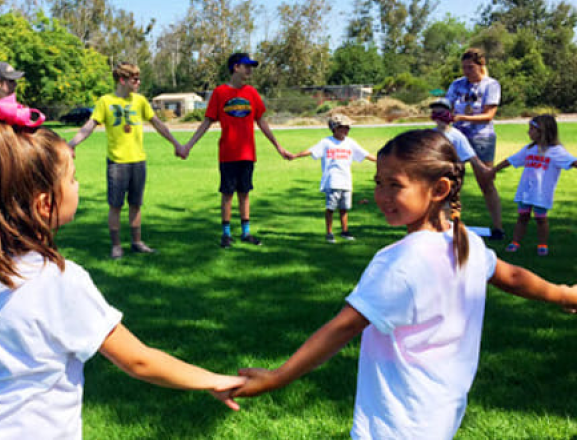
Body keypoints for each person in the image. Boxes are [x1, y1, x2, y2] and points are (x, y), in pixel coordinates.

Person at [0, 114, 245, 439]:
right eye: (74, 178)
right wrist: (211, 379)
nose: (78, 185)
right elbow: (138, 360)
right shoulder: (62, 281)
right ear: (45, 203)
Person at [230, 130, 577, 439]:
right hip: (441, 411)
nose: (382, 195)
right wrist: (563, 293)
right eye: (378, 183)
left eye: (395, 185)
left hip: (395, 420)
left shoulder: (399, 262)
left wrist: (278, 377)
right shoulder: (465, 240)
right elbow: (512, 277)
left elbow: (343, 328)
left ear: (439, 189)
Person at [68, 62, 184, 259]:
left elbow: (157, 124)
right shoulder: (106, 102)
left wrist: (176, 143)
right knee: (116, 205)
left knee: (136, 204)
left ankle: (137, 242)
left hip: (138, 161)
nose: (138, 83)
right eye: (135, 79)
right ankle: (116, 246)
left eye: (139, 79)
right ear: (122, 80)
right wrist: (71, 144)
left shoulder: (140, 101)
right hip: (117, 163)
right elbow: (89, 126)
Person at [183, 52, 290, 248]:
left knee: (244, 192)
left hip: (247, 154)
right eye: (246, 66)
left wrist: (278, 146)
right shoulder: (220, 92)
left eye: (251, 66)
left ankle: (246, 233)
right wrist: (188, 145)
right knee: (227, 193)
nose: (250, 69)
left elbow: (262, 121)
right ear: (235, 68)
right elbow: (207, 121)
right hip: (228, 154)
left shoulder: (252, 93)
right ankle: (226, 234)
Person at [490, 115, 576, 256]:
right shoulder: (529, 149)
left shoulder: (556, 151)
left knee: (541, 219)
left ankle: (542, 245)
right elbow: (512, 160)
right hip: (526, 191)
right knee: (522, 217)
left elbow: (572, 162)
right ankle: (515, 242)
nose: (528, 132)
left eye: (532, 129)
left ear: (543, 131)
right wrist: (493, 170)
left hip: (541, 193)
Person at [289, 114, 376, 243]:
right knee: (331, 208)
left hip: (346, 181)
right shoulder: (326, 142)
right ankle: (329, 232)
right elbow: (311, 151)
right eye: (344, 127)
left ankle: (344, 231)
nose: (347, 130)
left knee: (344, 208)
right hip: (332, 181)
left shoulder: (350, 143)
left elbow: (365, 153)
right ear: (335, 128)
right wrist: (295, 156)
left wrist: (381, 161)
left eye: (348, 128)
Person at [446, 47, 504, 240]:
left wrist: (462, 116)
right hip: (457, 136)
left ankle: (497, 227)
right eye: (464, 67)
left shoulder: (490, 85)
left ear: (481, 66)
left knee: (486, 180)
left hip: (482, 137)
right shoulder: (457, 84)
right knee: (451, 181)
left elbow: (489, 115)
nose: (466, 72)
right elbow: (448, 105)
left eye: (470, 67)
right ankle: (449, 223)